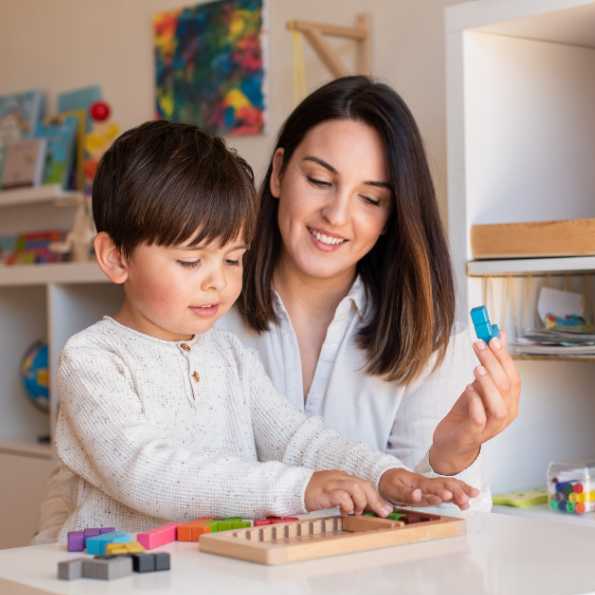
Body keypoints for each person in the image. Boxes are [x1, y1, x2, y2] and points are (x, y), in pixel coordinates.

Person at [34, 120, 477, 543]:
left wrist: (382, 473)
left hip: (212, 572)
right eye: (191, 262)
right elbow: (146, 473)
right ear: (115, 258)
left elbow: (296, 438)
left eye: (232, 259)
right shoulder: (94, 359)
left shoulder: (227, 354)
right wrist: (298, 488)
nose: (218, 281)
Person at [219, 76, 521, 511]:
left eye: (371, 199)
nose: (337, 215)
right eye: (320, 180)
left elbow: (440, 541)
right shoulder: (204, 310)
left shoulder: (428, 339)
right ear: (280, 172)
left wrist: (452, 456)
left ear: (391, 217)